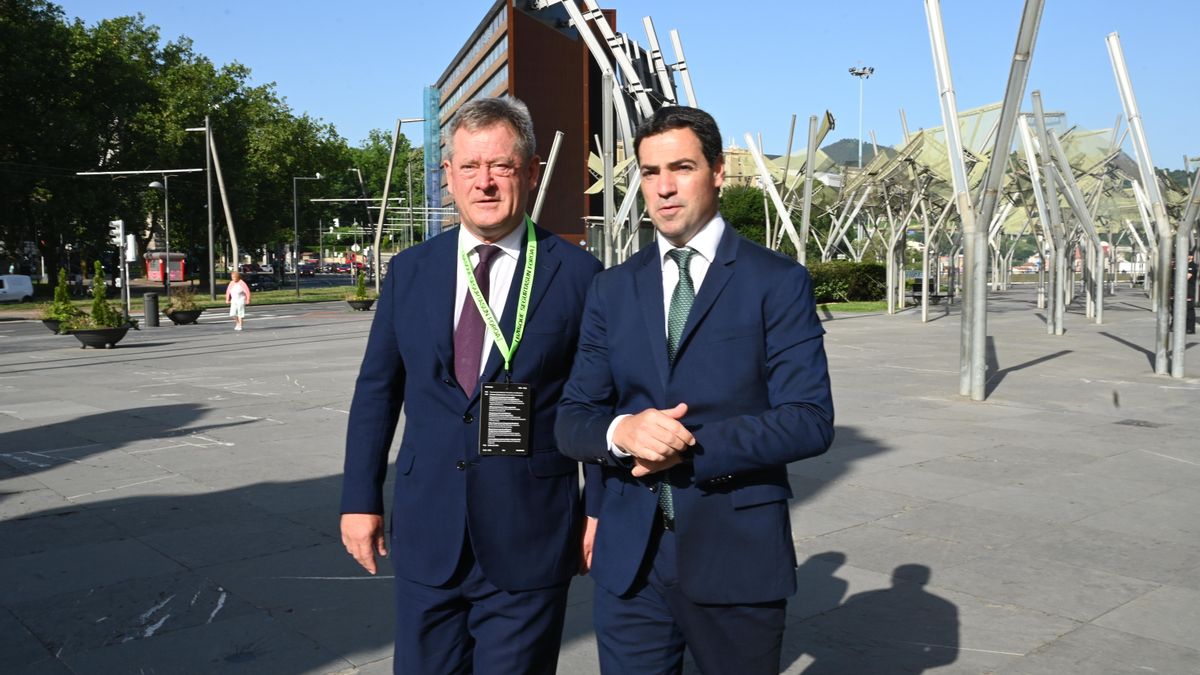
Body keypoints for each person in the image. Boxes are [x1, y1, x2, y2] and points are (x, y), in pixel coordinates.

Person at [555, 106, 835, 674]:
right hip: (631, 562)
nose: (663, 188)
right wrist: (621, 431)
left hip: (737, 551)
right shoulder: (611, 289)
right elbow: (573, 417)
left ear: (718, 172)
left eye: (680, 168)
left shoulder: (776, 281)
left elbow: (809, 418)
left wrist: (690, 446)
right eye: (650, 172)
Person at [340, 96, 603, 675]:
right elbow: (376, 392)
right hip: (426, 528)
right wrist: (359, 499)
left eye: (501, 167)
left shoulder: (580, 276)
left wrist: (599, 507)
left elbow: (603, 401)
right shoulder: (410, 271)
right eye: (469, 168)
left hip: (530, 530)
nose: (484, 183)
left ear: (530, 174)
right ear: (449, 178)